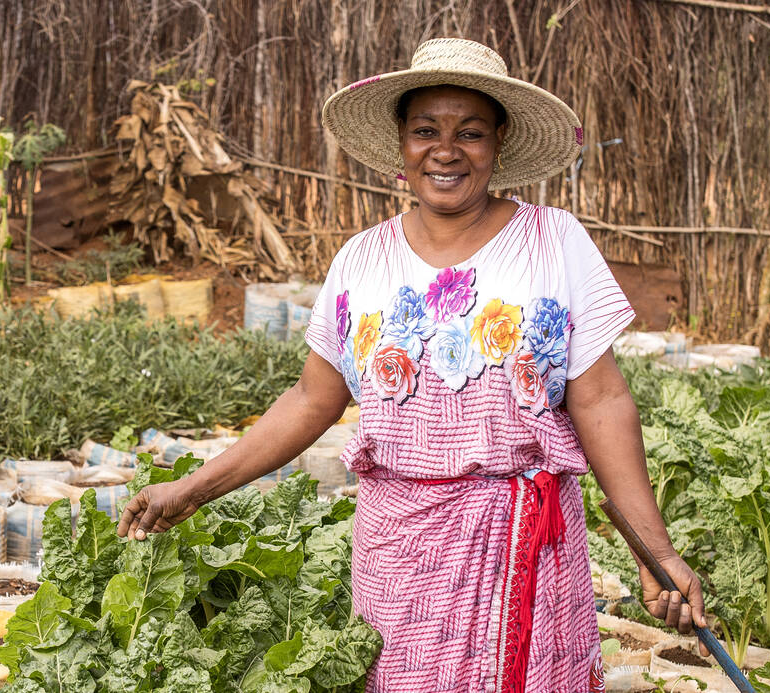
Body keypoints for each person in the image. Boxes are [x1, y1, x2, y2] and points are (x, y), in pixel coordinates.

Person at [116, 38, 708, 692]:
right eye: (426, 130)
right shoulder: (361, 262)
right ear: (402, 142)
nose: (446, 150)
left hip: (523, 553)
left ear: (499, 141)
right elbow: (313, 399)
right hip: (400, 561)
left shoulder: (553, 242)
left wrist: (654, 551)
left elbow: (601, 403)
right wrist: (192, 488)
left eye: (470, 132)